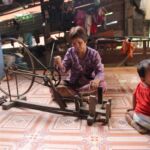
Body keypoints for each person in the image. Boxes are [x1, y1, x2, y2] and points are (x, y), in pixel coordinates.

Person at [54, 26, 106, 100]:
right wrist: (59, 63)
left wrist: (96, 80)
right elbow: (63, 70)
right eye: (74, 44)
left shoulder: (94, 54)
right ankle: (82, 97)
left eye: (80, 43)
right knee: (54, 87)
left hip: (87, 84)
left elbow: (100, 72)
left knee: (102, 85)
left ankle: (74, 96)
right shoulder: (70, 52)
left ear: (85, 42)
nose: (77, 46)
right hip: (72, 83)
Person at [125, 59, 150, 134]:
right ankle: (136, 124)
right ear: (143, 78)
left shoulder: (140, 85)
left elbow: (134, 95)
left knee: (128, 114)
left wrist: (133, 108)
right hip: (147, 120)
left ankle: (134, 123)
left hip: (139, 116)